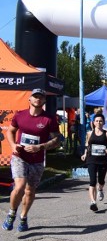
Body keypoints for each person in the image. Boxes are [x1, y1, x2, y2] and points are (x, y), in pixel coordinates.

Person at [2, 89, 60, 232]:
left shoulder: (49, 119)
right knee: (20, 186)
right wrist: (13, 145)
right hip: (20, 157)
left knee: (29, 191)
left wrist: (40, 147)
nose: (38, 99)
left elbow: (57, 140)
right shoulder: (20, 115)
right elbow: (10, 131)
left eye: (41, 97)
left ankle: (23, 217)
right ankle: (11, 213)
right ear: (30, 99)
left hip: (37, 160)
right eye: (35, 96)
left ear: (44, 101)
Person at [81, 113, 107, 212]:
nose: (98, 123)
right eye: (97, 121)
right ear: (93, 122)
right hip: (91, 159)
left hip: (102, 160)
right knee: (92, 181)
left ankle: (100, 189)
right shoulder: (90, 133)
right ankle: (93, 202)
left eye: (100, 121)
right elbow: (88, 145)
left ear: (103, 122)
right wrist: (84, 154)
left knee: (101, 181)